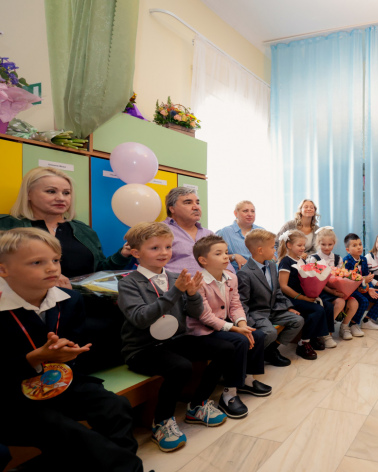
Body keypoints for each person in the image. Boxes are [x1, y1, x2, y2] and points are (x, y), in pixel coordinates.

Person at [0, 228, 143, 471]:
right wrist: (33, 358)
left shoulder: (70, 299)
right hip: (12, 395)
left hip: (59, 380)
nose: (52, 268)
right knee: (58, 426)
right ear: (4, 270)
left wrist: (70, 353)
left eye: (56, 260)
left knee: (114, 406)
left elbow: (73, 341)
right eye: (37, 262)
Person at [118, 222, 233, 453]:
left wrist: (191, 295)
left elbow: (192, 311)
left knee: (226, 348)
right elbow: (141, 318)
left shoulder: (173, 276)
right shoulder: (128, 282)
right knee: (180, 367)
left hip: (174, 341)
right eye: (155, 248)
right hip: (142, 349)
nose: (164, 253)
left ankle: (197, 405)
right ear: (136, 253)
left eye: (168, 247)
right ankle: (162, 421)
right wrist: (176, 291)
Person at [188, 235, 273, 419]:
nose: (226, 257)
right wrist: (234, 329)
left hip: (222, 326)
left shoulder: (231, 277)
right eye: (218, 254)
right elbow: (205, 316)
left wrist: (242, 324)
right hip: (202, 331)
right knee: (239, 341)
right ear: (203, 260)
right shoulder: (199, 282)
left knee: (256, 334)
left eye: (226, 252)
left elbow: (236, 305)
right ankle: (229, 393)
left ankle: (247, 380)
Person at [0, 166, 132, 283]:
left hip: (80, 306)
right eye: (51, 191)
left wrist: (123, 254)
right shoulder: (7, 225)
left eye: (66, 193)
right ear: (28, 194)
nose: (61, 198)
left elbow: (98, 274)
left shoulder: (84, 230)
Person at [238, 229, 304, 367]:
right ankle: (252, 357)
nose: (275, 250)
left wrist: (288, 307)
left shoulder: (272, 265)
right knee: (270, 332)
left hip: (274, 309)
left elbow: (278, 291)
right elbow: (242, 302)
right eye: (272, 247)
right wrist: (248, 322)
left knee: (298, 320)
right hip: (257, 313)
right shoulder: (245, 273)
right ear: (260, 250)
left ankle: (271, 350)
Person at [277, 230, 333, 359]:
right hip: (291, 298)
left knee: (328, 306)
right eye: (299, 245)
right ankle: (303, 343)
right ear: (289, 245)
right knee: (318, 310)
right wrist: (302, 298)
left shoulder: (301, 260)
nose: (303, 248)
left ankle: (314, 336)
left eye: (304, 245)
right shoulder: (286, 262)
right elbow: (283, 286)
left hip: (303, 295)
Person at [163, 186, 235, 275]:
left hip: (211, 286)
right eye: (188, 202)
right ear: (172, 209)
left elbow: (225, 263)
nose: (196, 207)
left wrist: (228, 275)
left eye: (197, 203)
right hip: (176, 285)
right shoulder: (160, 231)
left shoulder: (208, 234)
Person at [307, 227, 362, 339]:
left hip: (337, 291)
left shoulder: (338, 259)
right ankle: (325, 331)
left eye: (330, 244)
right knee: (340, 303)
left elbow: (341, 276)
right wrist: (332, 291)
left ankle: (344, 327)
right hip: (322, 291)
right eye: (323, 244)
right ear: (318, 243)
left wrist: (344, 290)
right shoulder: (313, 259)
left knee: (354, 303)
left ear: (334, 243)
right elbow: (315, 281)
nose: (327, 247)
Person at [343, 233, 378, 331]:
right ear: (348, 250)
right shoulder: (346, 261)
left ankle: (367, 321)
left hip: (364, 288)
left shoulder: (363, 259)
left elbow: (368, 276)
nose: (359, 247)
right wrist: (364, 281)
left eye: (360, 244)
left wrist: (370, 288)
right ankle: (353, 324)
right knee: (364, 301)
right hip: (353, 290)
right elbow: (349, 280)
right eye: (354, 245)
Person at [216, 200, 264, 271]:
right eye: (245, 211)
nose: (250, 214)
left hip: (261, 273)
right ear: (235, 213)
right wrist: (234, 256)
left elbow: (273, 255)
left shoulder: (262, 232)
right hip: (235, 275)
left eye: (252, 211)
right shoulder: (224, 232)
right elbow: (215, 256)